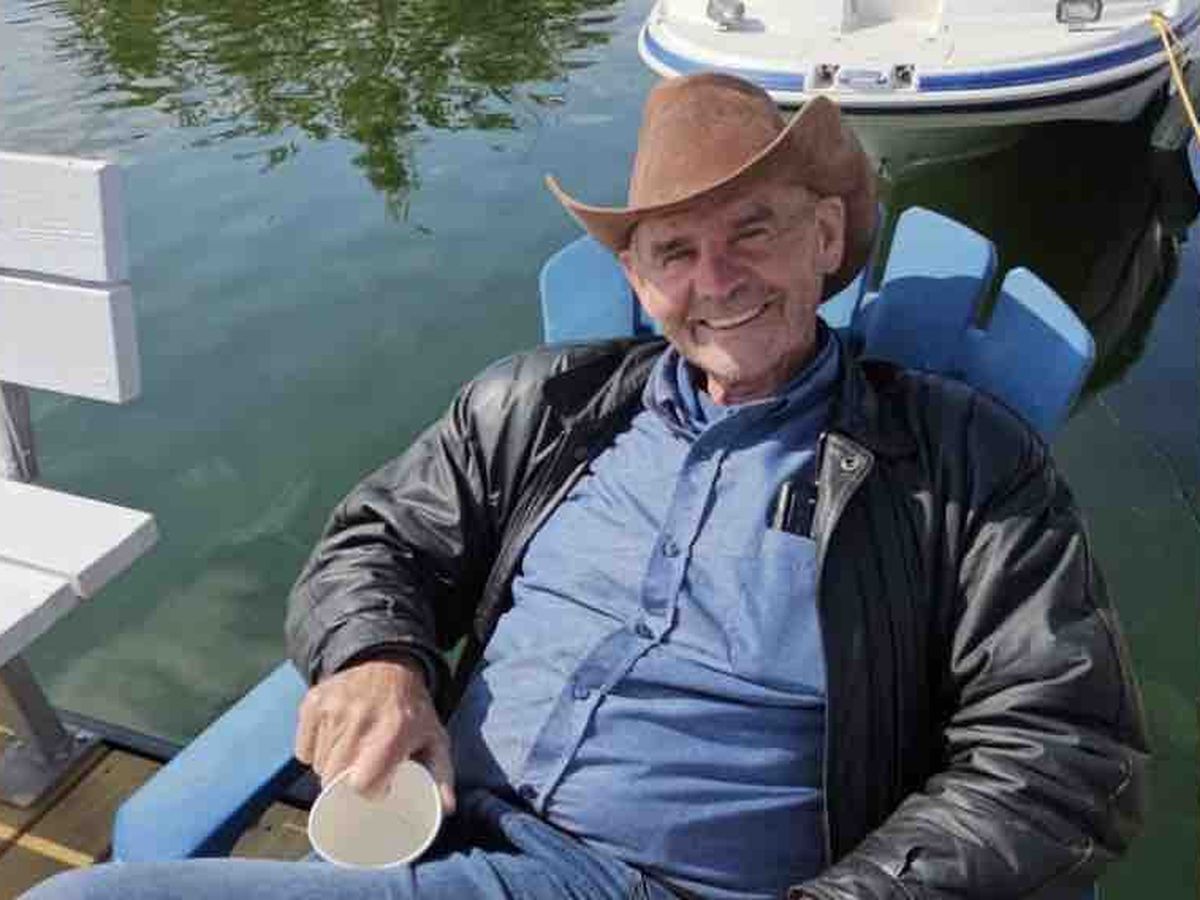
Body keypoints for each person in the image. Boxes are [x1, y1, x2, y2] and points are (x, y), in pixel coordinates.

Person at [26, 72, 1147, 900]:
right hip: (435, 834)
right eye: (674, 251)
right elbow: (377, 540)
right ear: (635, 278)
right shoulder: (541, 406)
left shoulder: (962, 466)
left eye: (751, 230)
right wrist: (376, 656)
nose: (716, 280)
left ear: (823, 236)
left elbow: (1061, 753)